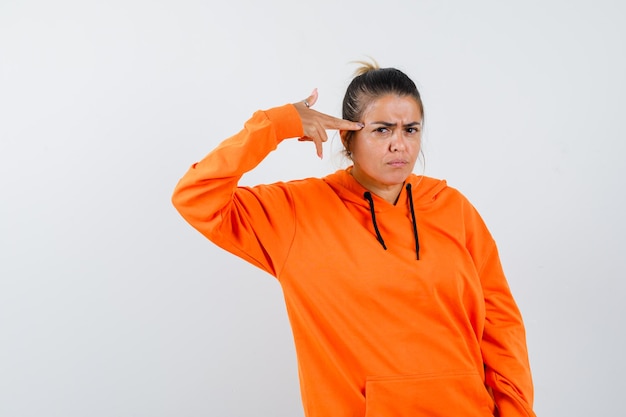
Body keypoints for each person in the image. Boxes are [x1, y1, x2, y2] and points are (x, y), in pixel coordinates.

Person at [172, 61, 536, 417]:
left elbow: (501, 325)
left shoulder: (453, 209)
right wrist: (277, 124)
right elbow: (196, 196)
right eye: (382, 130)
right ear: (347, 135)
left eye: (411, 129)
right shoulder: (297, 213)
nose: (400, 145)